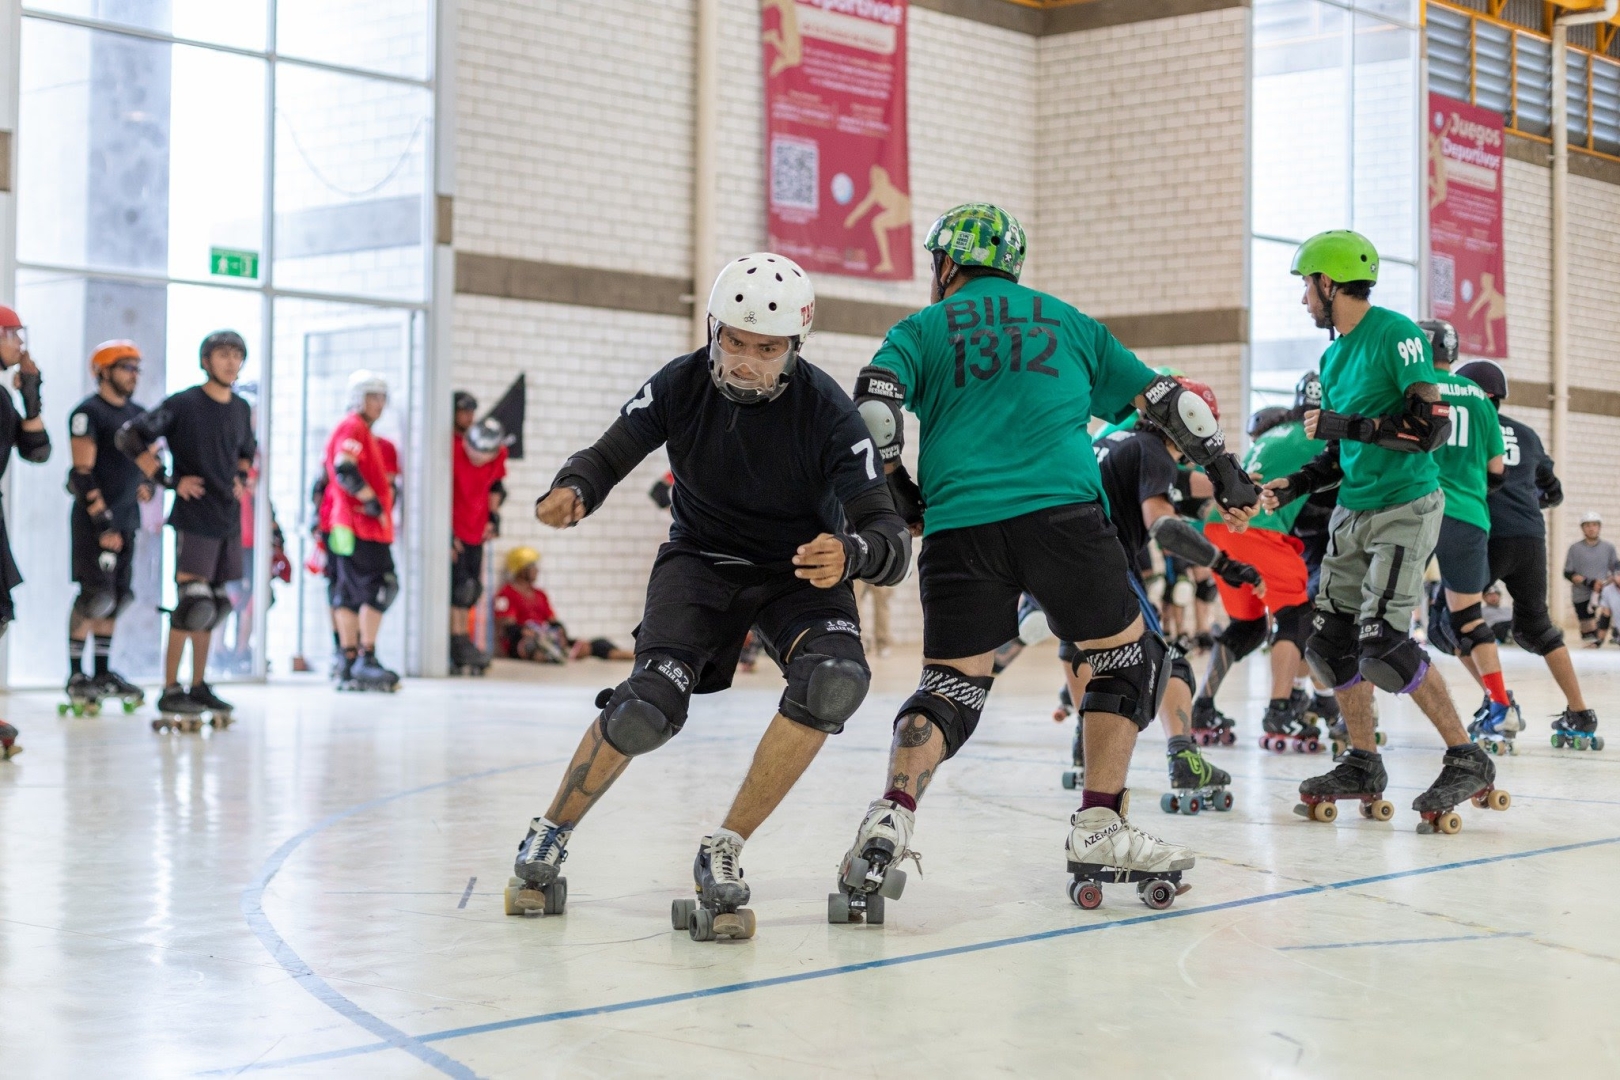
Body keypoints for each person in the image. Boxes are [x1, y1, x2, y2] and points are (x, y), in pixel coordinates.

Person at [829, 203, 1259, 922]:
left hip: (960, 527)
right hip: (1063, 518)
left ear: (946, 263)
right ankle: (1100, 824)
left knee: (950, 687)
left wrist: (898, 489)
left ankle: (890, 818)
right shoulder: (1067, 321)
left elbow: (874, 405)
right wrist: (1225, 469)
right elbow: (1167, 399)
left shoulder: (921, 329)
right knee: (1129, 660)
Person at [506, 252, 910, 939]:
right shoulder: (683, 382)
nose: (746, 362)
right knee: (646, 708)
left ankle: (724, 846)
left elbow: (888, 534)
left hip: (798, 571)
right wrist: (576, 488)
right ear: (713, 330)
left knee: (835, 681)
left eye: (767, 350)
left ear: (795, 347)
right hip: (700, 562)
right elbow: (612, 451)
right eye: (735, 342)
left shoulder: (829, 413)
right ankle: (549, 832)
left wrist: (853, 552)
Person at [1261, 230, 1507, 833]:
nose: (1303, 300)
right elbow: (1339, 453)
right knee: (1328, 643)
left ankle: (1467, 756)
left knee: (1385, 644)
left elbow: (1429, 430)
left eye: (1306, 288)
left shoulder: (1397, 335)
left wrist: (1345, 424)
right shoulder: (1333, 357)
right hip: (1352, 508)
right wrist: (1293, 485)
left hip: (1405, 504)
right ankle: (1362, 762)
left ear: (1328, 283)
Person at [1079, 379, 1262, 812]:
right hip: (1107, 562)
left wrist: (1234, 484)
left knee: (1090, 656)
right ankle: (1184, 759)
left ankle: (1081, 745)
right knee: (1167, 661)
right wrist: (1223, 564)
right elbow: (1162, 525)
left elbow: (1183, 483)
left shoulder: (1118, 442)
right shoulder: (1152, 451)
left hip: (1061, 561)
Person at [1455, 358, 1600, 745]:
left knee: (1450, 622)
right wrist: (1525, 501)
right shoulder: (1526, 434)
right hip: (1530, 537)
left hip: (1484, 535)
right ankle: (1580, 712)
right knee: (1538, 628)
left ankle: (1498, 704)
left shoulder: (1464, 428)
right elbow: (1554, 492)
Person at [116, 329, 256, 724]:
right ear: (206, 361)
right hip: (195, 516)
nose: (231, 362)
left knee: (216, 606)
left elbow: (246, 450)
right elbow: (130, 437)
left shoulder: (240, 407)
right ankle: (170, 689)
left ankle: (198, 685)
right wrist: (168, 479)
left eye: (237, 355)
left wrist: (240, 477)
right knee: (193, 605)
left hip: (226, 517)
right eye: (223, 354)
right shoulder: (184, 403)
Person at [1192, 394, 1325, 751]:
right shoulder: (1318, 433)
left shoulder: (1273, 434)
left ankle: (1202, 707)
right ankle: (1280, 710)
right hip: (1257, 529)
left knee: (1248, 626)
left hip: (1219, 526)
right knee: (1297, 617)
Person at [1416, 320, 1519, 750]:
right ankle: (1501, 706)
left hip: (1419, 509)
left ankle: (1359, 716)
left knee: (1383, 616)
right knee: (1469, 619)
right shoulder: (1478, 397)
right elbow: (1497, 470)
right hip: (1470, 515)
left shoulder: (1416, 389)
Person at [64, 341, 153, 713]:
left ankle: (101, 673)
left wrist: (147, 484)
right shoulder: (88, 413)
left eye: (136, 368)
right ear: (103, 371)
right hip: (94, 522)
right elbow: (81, 475)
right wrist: (103, 523)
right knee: (95, 596)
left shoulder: (139, 416)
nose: (133, 375)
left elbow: (145, 464)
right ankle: (76, 675)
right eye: (125, 367)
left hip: (127, 519)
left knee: (117, 597)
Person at [321, 370, 400, 692]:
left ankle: (349, 660)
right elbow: (344, 468)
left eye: (382, 397)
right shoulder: (353, 426)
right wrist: (372, 502)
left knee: (350, 593)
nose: (379, 403)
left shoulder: (360, 429)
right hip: (358, 526)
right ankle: (365, 657)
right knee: (382, 586)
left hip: (346, 525)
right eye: (372, 397)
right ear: (358, 398)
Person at [0, 305, 52, 759]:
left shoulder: (3, 396)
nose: (20, 344)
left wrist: (32, 396)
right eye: (13, 334)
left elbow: (37, 451)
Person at [450, 392, 508, 673]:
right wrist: (445, 535)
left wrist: (493, 518)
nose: (479, 459)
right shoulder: (451, 447)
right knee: (458, 589)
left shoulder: (497, 452)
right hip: (456, 529)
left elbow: (496, 486)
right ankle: (457, 641)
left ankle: (464, 641)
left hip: (476, 527)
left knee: (472, 588)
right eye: (463, 411)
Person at [493, 546, 631, 662]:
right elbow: (507, 628)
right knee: (532, 645)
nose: (537, 570)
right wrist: (534, 634)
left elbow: (553, 621)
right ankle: (553, 653)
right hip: (525, 641)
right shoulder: (506, 593)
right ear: (521, 568)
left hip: (547, 637)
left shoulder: (540, 594)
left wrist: (560, 633)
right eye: (533, 566)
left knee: (597, 644)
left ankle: (630, 656)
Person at [1563, 511, 1618, 645]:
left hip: (1603, 590)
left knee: (1609, 612)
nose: (1591, 528)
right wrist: (1590, 582)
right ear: (1582, 528)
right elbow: (1568, 573)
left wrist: (1606, 583)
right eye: (1587, 525)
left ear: (1599, 527)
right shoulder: (1575, 548)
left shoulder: (1608, 548)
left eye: (1594, 525)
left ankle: (1615, 631)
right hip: (1582, 592)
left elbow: (1616, 570)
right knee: (1589, 636)